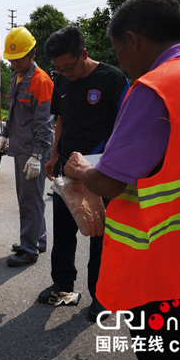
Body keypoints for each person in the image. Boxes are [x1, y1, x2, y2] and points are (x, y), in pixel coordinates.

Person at [64, 0, 180, 360]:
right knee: (174, 337)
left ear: (132, 40)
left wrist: (79, 171)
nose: (120, 62)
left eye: (118, 50)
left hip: (156, 251)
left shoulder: (154, 88)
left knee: (158, 348)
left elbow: (109, 184)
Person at [37, 26, 129, 322]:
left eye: (69, 66)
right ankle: (63, 285)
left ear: (84, 54)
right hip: (67, 171)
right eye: (58, 68)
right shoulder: (61, 81)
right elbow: (62, 120)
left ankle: (101, 296)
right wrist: (54, 157)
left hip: (101, 171)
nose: (65, 72)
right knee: (63, 232)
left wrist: (104, 165)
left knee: (100, 234)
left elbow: (124, 126)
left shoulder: (112, 79)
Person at [0, 27, 54, 267]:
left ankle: (29, 250)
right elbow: (13, 112)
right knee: (28, 198)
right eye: (12, 60)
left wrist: (38, 156)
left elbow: (44, 122)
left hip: (33, 151)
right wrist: (5, 134)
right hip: (20, 148)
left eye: (19, 58)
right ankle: (37, 240)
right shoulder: (16, 77)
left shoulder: (41, 81)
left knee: (30, 200)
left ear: (31, 53)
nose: (15, 64)